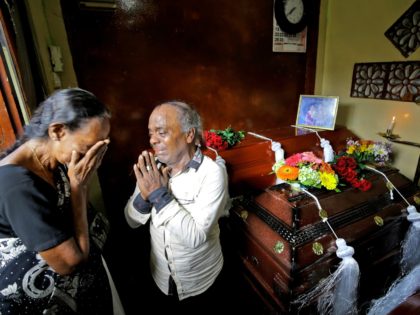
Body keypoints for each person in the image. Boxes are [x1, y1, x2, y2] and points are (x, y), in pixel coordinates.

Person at [0, 88, 123, 314]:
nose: (93, 158)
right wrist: (79, 187)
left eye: (101, 148)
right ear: (57, 131)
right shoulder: (17, 186)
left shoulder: (53, 162)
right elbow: (70, 263)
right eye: (88, 149)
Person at [124, 101, 230, 313]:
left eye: (161, 132)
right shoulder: (151, 167)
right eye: (151, 133)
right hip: (160, 277)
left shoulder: (211, 173)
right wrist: (146, 197)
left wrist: (158, 194)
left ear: (189, 135)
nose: (153, 140)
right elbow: (131, 220)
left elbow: (196, 237)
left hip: (199, 282)